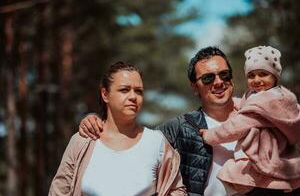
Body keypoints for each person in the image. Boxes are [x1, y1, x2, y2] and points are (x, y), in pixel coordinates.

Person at [79, 46, 239, 195]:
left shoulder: (259, 117)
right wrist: (95, 120)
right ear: (195, 87)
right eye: (208, 78)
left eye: (224, 74)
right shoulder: (179, 128)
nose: (218, 82)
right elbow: (131, 145)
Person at [48, 61, 187, 196]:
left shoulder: (157, 142)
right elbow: (59, 191)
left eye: (139, 91)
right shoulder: (82, 142)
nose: (133, 96)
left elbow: (177, 191)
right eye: (124, 90)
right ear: (105, 94)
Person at [200, 46, 300, 195]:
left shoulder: (268, 101)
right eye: (251, 75)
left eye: (263, 74)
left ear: (275, 76)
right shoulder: (269, 96)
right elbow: (248, 104)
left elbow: (237, 126)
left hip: (265, 156)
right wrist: (231, 101)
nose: (257, 80)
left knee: (232, 172)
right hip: (277, 158)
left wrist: (209, 135)